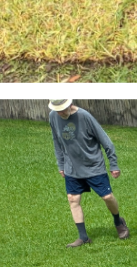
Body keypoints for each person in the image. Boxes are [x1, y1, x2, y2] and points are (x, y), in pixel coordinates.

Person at [48, 98, 129, 247]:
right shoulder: (53, 116)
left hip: (93, 166)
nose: (59, 113)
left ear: (70, 105)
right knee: (73, 199)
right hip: (71, 167)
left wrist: (113, 164)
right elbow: (57, 142)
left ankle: (119, 222)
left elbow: (106, 141)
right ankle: (83, 237)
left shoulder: (84, 116)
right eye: (57, 110)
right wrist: (61, 164)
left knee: (107, 197)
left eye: (62, 110)